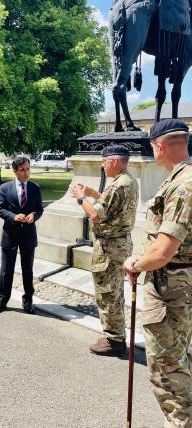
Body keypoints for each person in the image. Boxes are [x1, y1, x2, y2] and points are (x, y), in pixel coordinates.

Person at [124, 119, 192, 428]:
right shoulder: (181, 177)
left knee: (168, 374)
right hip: (179, 287)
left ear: (159, 147)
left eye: (152, 148)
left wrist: (136, 264)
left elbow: (164, 251)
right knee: (180, 364)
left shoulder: (183, 184)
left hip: (170, 293)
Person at [70, 145, 139, 356]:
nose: (102, 165)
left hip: (110, 248)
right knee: (115, 291)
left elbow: (96, 215)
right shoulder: (128, 181)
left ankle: (114, 340)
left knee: (108, 293)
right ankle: (116, 336)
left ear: (115, 161)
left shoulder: (118, 185)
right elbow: (111, 206)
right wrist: (93, 193)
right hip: (120, 244)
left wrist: (82, 197)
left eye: (104, 161)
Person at [0, 157, 43, 314]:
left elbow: (39, 208)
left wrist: (34, 215)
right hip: (10, 234)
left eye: (28, 169)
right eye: (22, 170)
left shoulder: (35, 188)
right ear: (15, 171)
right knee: (6, 270)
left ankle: (28, 300)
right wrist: (13, 217)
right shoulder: (5, 188)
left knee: (28, 270)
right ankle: (2, 300)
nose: (26, 172)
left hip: (28, 234)